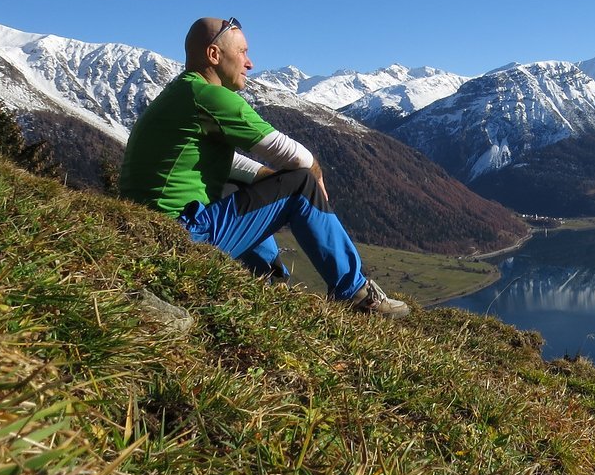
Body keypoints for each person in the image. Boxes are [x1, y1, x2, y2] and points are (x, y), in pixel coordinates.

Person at [119, 17, 408, 318]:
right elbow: (294, 156)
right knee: (301, 183)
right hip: (181, 237)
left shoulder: (180, 94)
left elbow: (225, 164)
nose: (250, 63)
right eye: (242, 52)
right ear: (214, 55)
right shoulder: (210, 96)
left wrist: (271, 183)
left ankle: (268, 280)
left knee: (244, 185)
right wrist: (314, 180)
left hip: (152, 235)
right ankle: (357, 295)